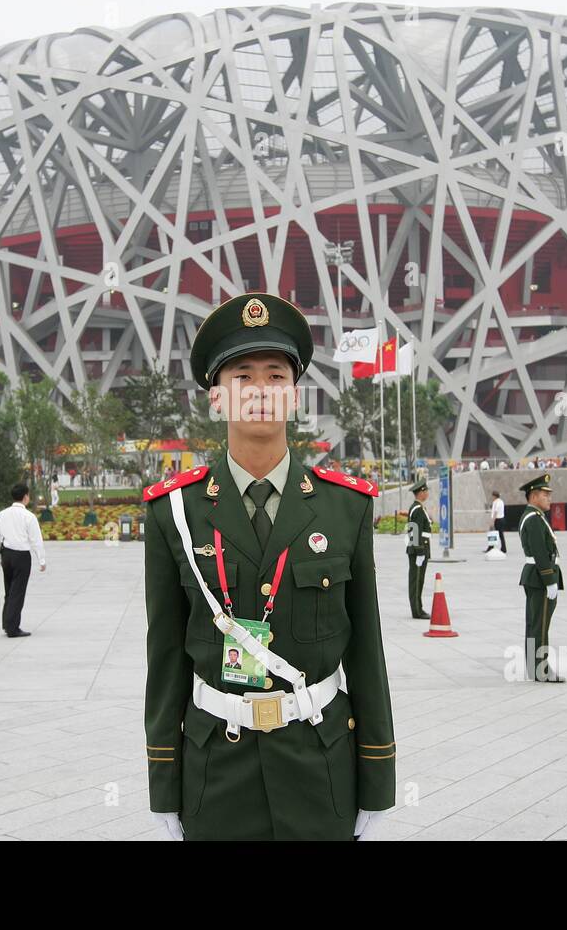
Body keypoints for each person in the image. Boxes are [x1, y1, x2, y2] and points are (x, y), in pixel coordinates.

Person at [142, 293, 395, 841]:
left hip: (320, 765)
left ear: (294, 395)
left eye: (275, 376)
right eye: (242, 376)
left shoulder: (344, 507)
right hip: (216, 774)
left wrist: (378, 777)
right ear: (217, 397)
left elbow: (367, 653)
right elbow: (164, 660)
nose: (260, 391)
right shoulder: (175, 513)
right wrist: (164, 782)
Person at [517, 473, 563, 682]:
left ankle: (534, 667)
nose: (549, 499)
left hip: (535, 576)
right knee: (540, 625)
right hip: (539, 577)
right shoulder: (534, 519)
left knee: (535, 623)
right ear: (533, 496)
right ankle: (541, 669)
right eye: (545, 495)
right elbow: (540, 553)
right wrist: (550, 581)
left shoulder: (536, 516)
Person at [0, 483, 45, 637]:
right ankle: (13, 628)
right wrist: (41, 560)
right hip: (21, 556)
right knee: (18, 592)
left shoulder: (2, 514)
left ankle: (7, 623)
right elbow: (36, 540)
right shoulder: (29, 516)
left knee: (9, 591)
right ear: (25, 497)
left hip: (6, 555)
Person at [406, 478, 432, 620]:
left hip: (421, 550)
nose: (427, 493)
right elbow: (414, 531)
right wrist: (420, 551)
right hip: (418, 552)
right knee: (416, 581)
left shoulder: (420, 508)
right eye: (426, 490)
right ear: (421, 492)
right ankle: (417, 610)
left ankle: (419, 608)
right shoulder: (417, 509)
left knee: (419, 580)